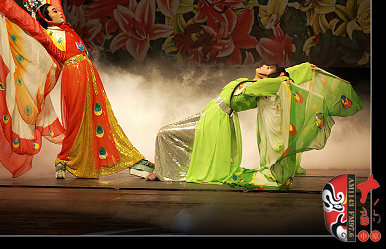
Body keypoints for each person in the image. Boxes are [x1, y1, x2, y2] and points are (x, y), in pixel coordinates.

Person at [0, 0, 154, 179]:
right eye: (53, 12)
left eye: (56, 10)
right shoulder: (46, 35)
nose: (58, 12)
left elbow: (55, 0)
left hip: (88, 72)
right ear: (46, 19)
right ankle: (63, 160)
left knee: (99, 117)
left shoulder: (65, 28)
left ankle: (127, 160)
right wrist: (3, 0)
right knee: (78, 119)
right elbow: (25, 21)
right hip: (73, 73)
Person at [147, 62, 362, 189]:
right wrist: (298, 70)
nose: (263, 65)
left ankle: (162, 172)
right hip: (208, 114)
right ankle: (166, 170)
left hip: (217, 120)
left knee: (165, 133)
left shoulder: (261, 87)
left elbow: (282, 78)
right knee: (168, 134)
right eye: (266, 65)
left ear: (271, 76)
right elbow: (278, 75)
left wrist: (303, 70)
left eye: (268, 67)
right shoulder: (251, 82)